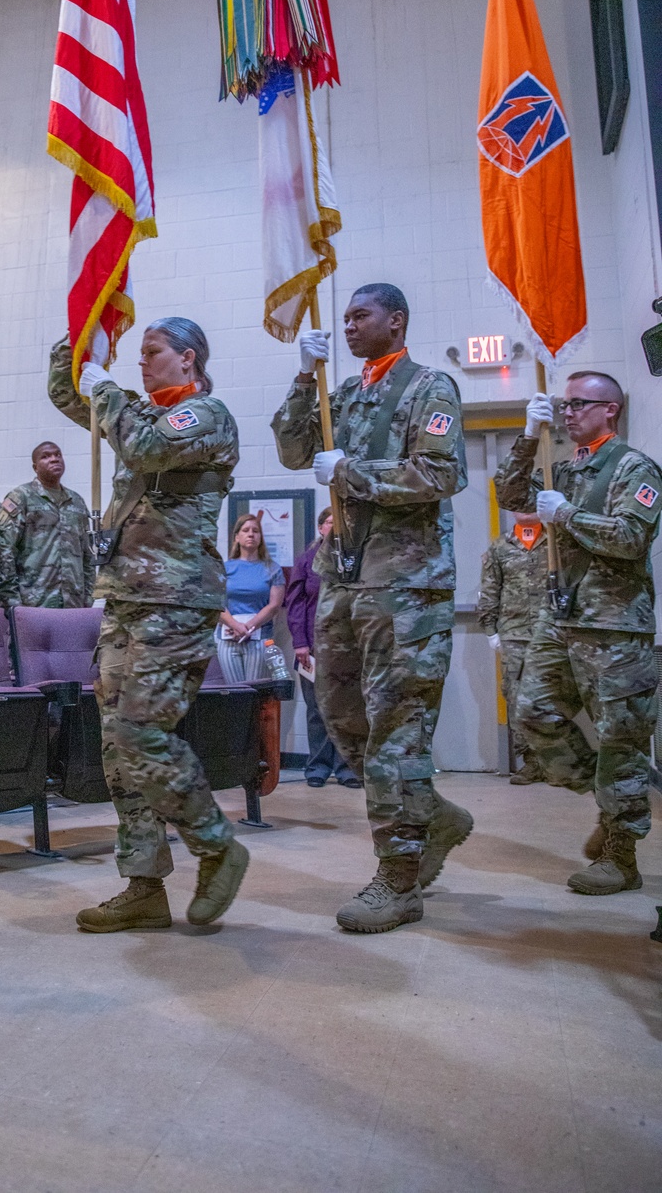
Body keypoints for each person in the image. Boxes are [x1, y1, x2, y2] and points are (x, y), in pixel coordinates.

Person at [271, 283, 469, 933]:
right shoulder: (346, 392)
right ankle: (429, 816)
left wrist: (353, 472)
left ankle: (399, 878)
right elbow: (293, 450)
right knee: (341, 711)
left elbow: (440, 474)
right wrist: (305, 374)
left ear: (396, 320)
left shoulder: (429, 388)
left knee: (397, 730)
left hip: (405, 583)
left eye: (361, 315)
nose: (349, 324)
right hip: (345, 577)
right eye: (346, 315)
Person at [49, 317, 249, 932]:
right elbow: (66, 392)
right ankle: (143, 884)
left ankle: (216, 844)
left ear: (188, 358)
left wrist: (105, 384)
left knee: (142, 736)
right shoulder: (135, 411)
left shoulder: (205, 416)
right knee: (116, 748)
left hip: (177, 599)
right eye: (137, 354)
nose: (141, 363)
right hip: (127, 600)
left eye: (152, 352)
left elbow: (147, 448)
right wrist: (81, 336)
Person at [494, 372, 662, 895]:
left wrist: (566, 514)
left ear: (609, 409)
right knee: (533, 713)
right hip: (560, 617)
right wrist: (527, 433)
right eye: (564, 406)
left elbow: (632, 537)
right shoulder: (564, 467)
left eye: (578, 405)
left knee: (622, 740)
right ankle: (606, 802)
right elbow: (510, 491)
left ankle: (620, 857)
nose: (568, 414)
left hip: (614, 624)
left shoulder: (634, 467)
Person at [285, 507, 360, 788]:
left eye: (339, 522)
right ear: (320, 528)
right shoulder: (307, 559)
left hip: (347, 648)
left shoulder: (353, 558)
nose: (334, 527)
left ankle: (347, 768)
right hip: (312, 649)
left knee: (348, 709)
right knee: (316, 710)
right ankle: (317, 767)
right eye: (329, 522)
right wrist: (300, 643)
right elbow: (295, 605)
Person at [477, 511, 549, 785]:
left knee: (553, 698)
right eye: (521, 503)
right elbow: (490, 589)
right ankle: (531, 762)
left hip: (550, 634)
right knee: (518, 698)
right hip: (514, 634)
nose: (527, 508)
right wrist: (490, 630)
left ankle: (556, 763)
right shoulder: (500, 547)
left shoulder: (555, 541)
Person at [0, 441, 94, 610]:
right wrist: (11, 599)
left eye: (58, 455)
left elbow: (87, 554)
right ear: (35, 467)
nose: (54, 459)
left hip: (74, 603)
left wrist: (89, 595)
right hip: (33, 601)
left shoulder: (76, 502)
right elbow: (4, 549)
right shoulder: (21, 497)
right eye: (46, 457)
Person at [216, 513, 285, 683]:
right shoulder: (224, 568)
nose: (251, 534)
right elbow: (215, 603)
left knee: (255, 693)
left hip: (259, 638)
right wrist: (235, 625)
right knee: (234, 694)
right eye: (245, 530)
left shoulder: (272, 569)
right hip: (228, 637)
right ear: (237, 537)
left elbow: (274, 606)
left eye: (255, 531)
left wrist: (247, 627)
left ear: (260, 537)